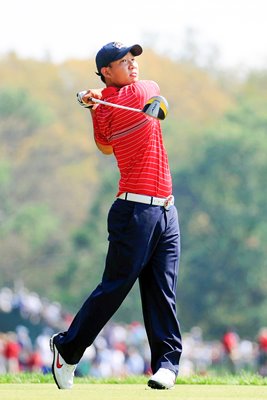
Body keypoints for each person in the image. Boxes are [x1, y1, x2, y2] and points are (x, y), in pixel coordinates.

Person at [50, 41, 182, 390]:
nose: (133, 65)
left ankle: (167, 363)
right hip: (133, 210)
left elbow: (147, 91)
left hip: (166, 209)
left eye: (133, 59)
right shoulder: (108, 107)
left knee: (162, 289)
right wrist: (97, 104)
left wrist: (95, 99)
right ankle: (67, 347)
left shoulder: (138, 92)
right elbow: (106, 144)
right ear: (106, 71)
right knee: (115, 287)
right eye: (124, 62)